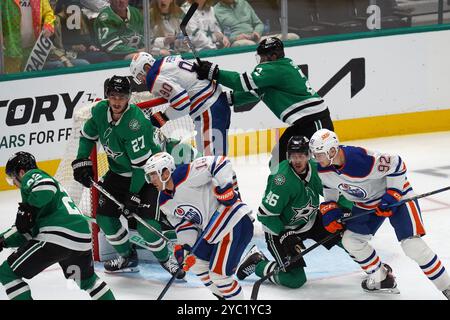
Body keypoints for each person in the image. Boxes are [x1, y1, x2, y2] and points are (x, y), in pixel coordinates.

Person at [309, 128, 450, 298]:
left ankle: (447, 286)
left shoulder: (360, 159)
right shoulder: (324, 169)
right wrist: (330, 209)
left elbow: (397, 164)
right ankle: (381, 279)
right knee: (351, 241)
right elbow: (330, 189)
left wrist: (393, 195)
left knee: (412, 246)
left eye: (319, 154)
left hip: (396, 197)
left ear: (332, 151)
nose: (316, 158)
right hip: (366, 204)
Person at [71, 75, 183, 278]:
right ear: (107, 96)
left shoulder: (135, 123)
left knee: (146, 226)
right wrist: (81, 160)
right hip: (117, 174)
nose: (116, 101)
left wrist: (133, 196)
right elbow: (87, 136)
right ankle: (127, 257)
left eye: (121, 97)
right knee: (104, 219)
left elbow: (141, 168)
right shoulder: (98, 111)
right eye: (113, 96)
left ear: (129, 97)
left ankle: (167, 259)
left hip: (148, 176)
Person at [194, 37, 334, 171]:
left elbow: (242, 83)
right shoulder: (278, 69)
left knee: (322, 167)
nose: (260, 61)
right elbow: (255, 93)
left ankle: (337, 193)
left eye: (262, 57)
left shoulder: (275, 68)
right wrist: (221, 99)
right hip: (302, 123)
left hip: (315, 122)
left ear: (273, 56)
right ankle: (290, 192)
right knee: (278, 162)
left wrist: (214, 72)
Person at [236, 136, 352, 288]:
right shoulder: (281, 180)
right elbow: (264, 215)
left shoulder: (317, 169)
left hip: (310, 220)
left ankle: (375, 270)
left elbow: (339, 194)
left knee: (349, 240)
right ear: (288, 156)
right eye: (293, 156)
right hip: (280, 231)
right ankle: (258, 262)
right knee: (295, 280)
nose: (297, 160)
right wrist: (283, 233)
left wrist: (345, 211)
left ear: (308, 155)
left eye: (301, 156)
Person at [0, 152, 115, 300]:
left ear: (21, 172)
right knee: (89, 281)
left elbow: (46, 187)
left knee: (7, 272)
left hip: (57, 238)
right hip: (81, 240)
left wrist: (27, 207)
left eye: (13, 180)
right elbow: (27, 230)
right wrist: (4, 240)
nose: (15, 184)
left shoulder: (31, 175)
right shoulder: (48, 198)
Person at [144, 152, 253, 299]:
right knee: (195, 263)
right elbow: (183, 225)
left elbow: (220, 162)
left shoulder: (185, 174)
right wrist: (185, 247)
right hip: (213, 232)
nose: (151, 180)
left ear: (165, 173)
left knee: (219, 276)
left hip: (232, 220)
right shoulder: (164, 202)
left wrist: (225, 188)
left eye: (153, 175)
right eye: (149, 176)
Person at [129, 52, 232, 156]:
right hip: (218, 100)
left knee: (211, 162)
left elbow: (182, 103)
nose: (142, 81)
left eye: (139, 75)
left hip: (207, 108)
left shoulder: (153, 77)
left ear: (146, 68)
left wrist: (162, 117)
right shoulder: (167, 60)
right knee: (219, 158)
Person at [1, 0, 55, 73]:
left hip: (33, 49)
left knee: (31, 79)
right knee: (12, 80)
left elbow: (48, 12)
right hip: (10, 48)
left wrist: (48, 26)